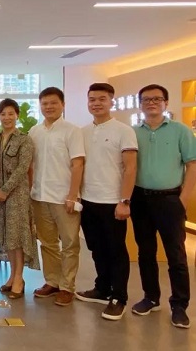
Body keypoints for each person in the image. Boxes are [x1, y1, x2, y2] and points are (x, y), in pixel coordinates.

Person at [130, 84, 196, 329]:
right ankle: (150, 297)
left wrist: (183, 199)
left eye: (157, 99)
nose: (151, 103)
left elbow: (192, 165)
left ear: (165, 103)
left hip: (170, 200)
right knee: (145, 252)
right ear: (140, 104)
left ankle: (179, 305)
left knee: (176, 255)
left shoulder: (180, 131)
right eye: (146, 99)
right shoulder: (133, 133)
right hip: (140, 199)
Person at [76, 83, 137, 321]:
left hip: (113, 201)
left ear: (111, 101)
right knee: (96, 248)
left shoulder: (124, 131)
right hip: (88, 200)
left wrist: (125, 201)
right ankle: (102, 288)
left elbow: (130, 168)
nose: (96, 103)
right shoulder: (83, 132)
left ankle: (119, 297)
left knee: (116, 250)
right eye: (92, 99)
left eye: (102, 99)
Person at [29, 86, 85, 306]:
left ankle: (67, 286)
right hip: (40, 196)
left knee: (70, 243)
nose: (49, 107)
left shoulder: (72, 131)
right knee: (47, 242)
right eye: (45, 103)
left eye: (53, 103)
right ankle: (52, 281)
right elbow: (31, 165)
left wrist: (73, 195)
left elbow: (78, 164)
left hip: (64, 198)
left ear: (63, 105)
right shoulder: (35, 132)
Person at [0, 98, 40, 299]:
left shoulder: (25, 140)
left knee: (16, 236)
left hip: (17, 195)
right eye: (3, 114)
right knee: (6, 235)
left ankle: (19, 277)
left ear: (17, 115)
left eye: (10, 113)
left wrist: (5, 190)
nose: (6, 117)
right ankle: (11, 277)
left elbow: (23, 168)